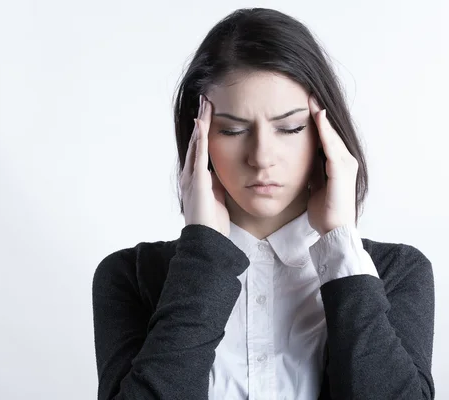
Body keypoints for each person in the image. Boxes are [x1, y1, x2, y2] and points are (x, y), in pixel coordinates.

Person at [91, 7, 435, 400]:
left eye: (289, 128)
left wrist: (340, 244)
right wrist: (204, 253)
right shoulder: (130, 277)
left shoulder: (398, 272)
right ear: (197, 138)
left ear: (327, 133)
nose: (261, 156)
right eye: (233, 130)